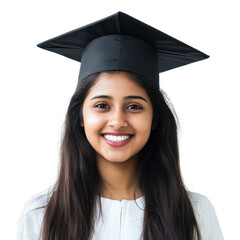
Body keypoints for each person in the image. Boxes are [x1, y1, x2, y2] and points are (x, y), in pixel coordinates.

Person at [17, 12, 224, 240]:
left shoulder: (196, 212)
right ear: (81, 117)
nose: (117, 121)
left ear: (154, 118)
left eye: (134, 106)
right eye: (102, 105)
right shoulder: (42, 215)